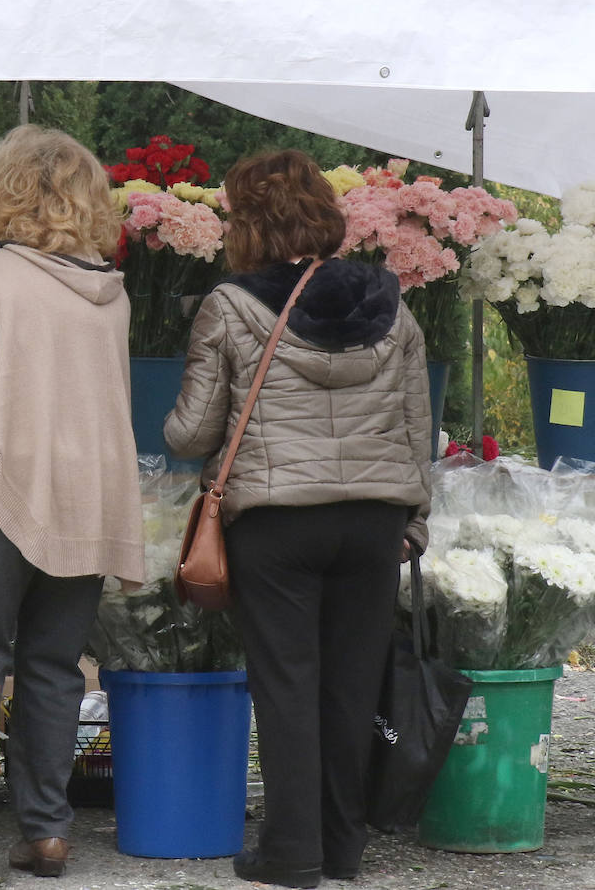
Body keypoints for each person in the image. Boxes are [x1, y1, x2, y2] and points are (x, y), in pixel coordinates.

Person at [163, 149, 432, 889]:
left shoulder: (231, 303)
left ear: (248, 221)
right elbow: (417, 425)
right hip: (375, 520)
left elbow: (191, 433)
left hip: (277, 523)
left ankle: (290, 851)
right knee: (351, 687)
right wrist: (417, 518)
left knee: (286, 686)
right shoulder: (391, 301)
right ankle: (342, 850)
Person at [0, 124, 144, 884]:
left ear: (9, 192)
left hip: (2, 499)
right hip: (90, 503)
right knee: (54, 668)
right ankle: (48, 832)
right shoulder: (109, 295)